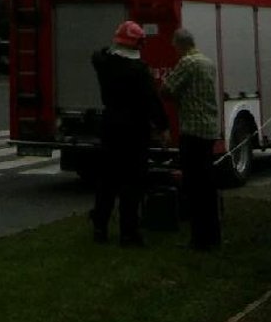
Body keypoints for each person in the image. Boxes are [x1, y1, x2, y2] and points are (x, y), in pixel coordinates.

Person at [90, 19, 169, 246]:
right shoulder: (139, 71)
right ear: (137, 45)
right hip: (134, 129)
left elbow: (99, 53)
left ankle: (100, 227)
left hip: (110, 125)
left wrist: (113, 45)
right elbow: (152, 101)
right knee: (132, 182)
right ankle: (128, 232)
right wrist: (162, 127)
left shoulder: (104, 64)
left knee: (106, 181)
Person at [161, 28, 221, 250]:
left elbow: (167, 89)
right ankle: (213, 235)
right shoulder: (207, 62)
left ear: (180, 44)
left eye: (175, 46)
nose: (175, 51)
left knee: (194, 186)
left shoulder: (187, 63)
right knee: (207, 185)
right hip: (208, 129)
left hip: (192, 130)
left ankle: (199, 239)